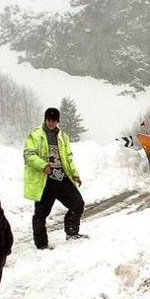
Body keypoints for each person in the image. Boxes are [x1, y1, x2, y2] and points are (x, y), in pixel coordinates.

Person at [24, 107, 86, 249]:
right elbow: (28, 155)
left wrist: (75, 174)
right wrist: (43, 166)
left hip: (61, 177)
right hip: (45, 179)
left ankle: (72, 232)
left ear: (58, 121)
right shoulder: (35, 134)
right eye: (49, 119)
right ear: (45, 119)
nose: (51, 122)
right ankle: (42, 244)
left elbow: (68, 158)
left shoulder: (63, 136)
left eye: (54, 120)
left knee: (78, 204)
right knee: (41, 214)